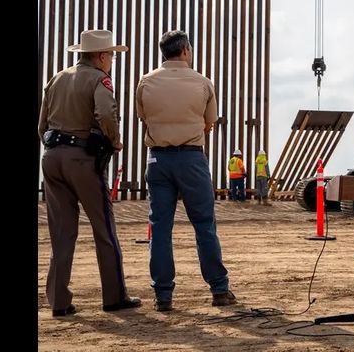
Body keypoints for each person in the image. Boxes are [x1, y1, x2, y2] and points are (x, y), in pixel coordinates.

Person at [38, 29, 142, 317]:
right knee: (103, 228)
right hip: (82, 159)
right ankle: (114, 296)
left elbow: (42, 124)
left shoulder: (57, 78)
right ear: (101, 56)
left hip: (52, 157)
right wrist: (115, 140)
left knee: (61, 232)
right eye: (111, 57)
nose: (111, 62)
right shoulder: (99, 79)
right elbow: (106, 113)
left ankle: (59, 301)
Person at [136, 30, 237, 311]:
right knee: (204, 225)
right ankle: (219, 289)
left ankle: (163, 295)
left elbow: (144, 117)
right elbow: (210, 123)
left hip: (158, 159)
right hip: (191, 159)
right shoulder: (203, 82)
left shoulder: (146, 81)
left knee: (160, 227)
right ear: (184, 51)